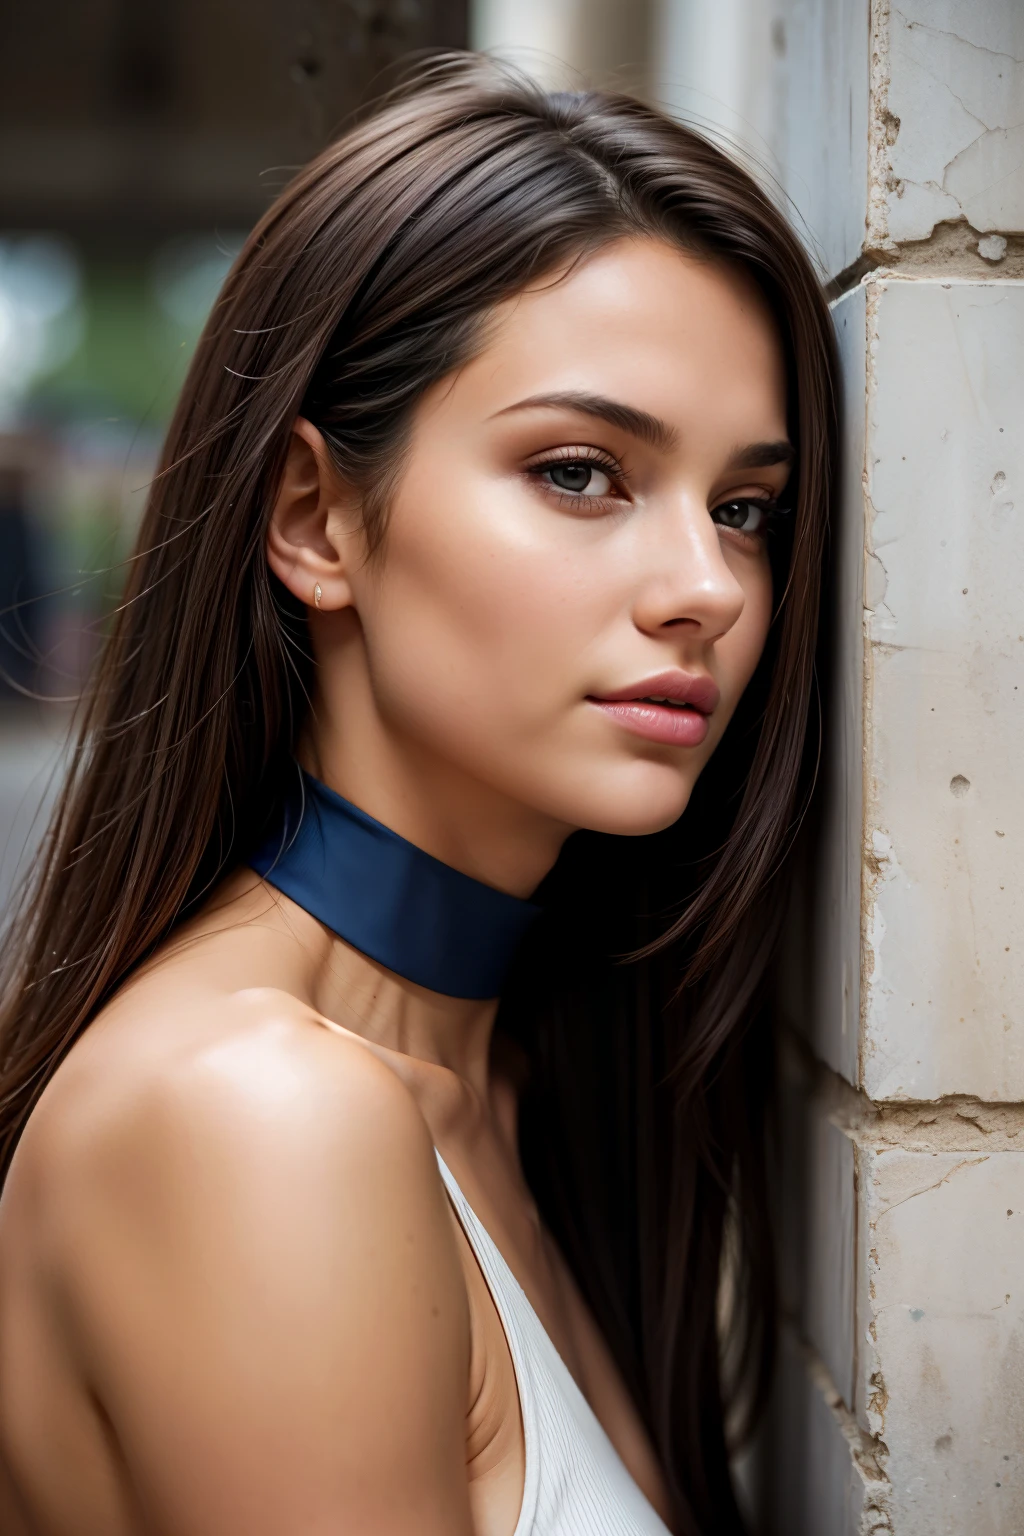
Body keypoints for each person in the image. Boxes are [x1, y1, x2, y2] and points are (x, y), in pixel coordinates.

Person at [0, 55, 837, 1536]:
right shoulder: (257, 1119)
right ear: (318, 520)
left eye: (747, 508)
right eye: (582, 473)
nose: (708, 587)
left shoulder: (519, 1082)